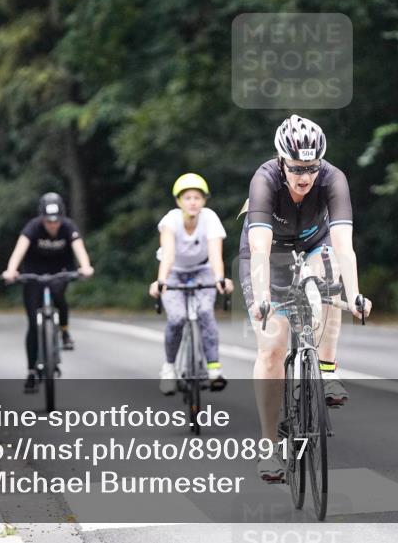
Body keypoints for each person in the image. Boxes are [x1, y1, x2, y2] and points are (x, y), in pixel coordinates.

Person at [239, 115, 372, 482]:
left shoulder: (333, 179)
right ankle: (269, 447)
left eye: (312, 168)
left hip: (315, 244)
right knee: (272, 347)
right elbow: (260, 249)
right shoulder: (265, 180)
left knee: (329, 278)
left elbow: (344, 246)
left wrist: (355, 294)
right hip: (270, 254)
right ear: (282, 160)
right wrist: (263, 297)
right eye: (297, 168)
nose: (305, 177)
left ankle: (326, 369)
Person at [1, 192, 95, 393]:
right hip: (33, 273)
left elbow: (79, 248)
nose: (53, 225)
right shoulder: (33, 227)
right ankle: (31, 371)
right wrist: (11, 271)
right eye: (48, 221)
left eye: (56, 221)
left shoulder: (68, 227)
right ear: (42, 218)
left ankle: (64, 330)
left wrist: (86, 267)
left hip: (60, 272)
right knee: (32, 324)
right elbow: (19, 250)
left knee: (59, 295)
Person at [149, 173, 233, 395]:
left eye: (197, 197)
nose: (193, 202)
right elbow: (168, 254)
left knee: (205, 312)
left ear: (204, 200)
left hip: (203, 270)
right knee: (177, 318)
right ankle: (169, 368)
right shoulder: (170, 220)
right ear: (179, 201)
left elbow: (215, 255)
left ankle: (214, 369)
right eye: (187, 198)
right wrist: (161, 281)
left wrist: (220, 279)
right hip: (174, 272)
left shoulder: (210, 218)